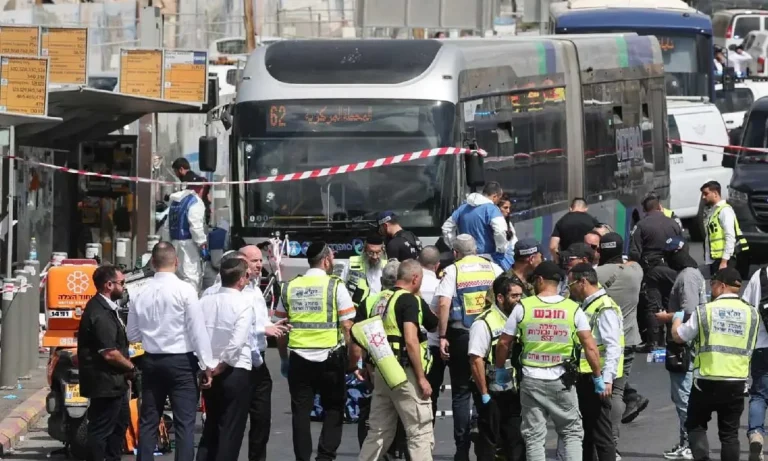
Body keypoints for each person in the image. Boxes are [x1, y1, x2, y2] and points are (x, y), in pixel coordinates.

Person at [494, 261, 603, 461]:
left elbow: (503, 343)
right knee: (571, 432)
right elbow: (590, 346)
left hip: (531, 379)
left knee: (534, 436)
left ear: (540, 280)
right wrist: (598, 376)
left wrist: (499, 369)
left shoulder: (523, 307)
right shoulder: (572, 309)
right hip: (561, 379)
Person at [127, 242, 214, 461]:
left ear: (153, 263)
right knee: (184, 424)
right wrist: (207, 365)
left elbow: (132, 334)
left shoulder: (139, 292)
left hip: (151, 362)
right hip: (181, 363)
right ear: (177, 262)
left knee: (149, 421)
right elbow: (198, 332)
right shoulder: (186, 290)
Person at [275, 242, 356, 461]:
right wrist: (352, 358)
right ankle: (325, 457)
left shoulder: (289, 286)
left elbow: (280, 328)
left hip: (299, 358)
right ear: (326, 261)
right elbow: (348, 326)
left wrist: (283, 359)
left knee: (300, 412)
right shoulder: (335, 286)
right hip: (330, 357)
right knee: (334, 408)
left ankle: (302, 459)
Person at [670, 268, 759, 461]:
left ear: (722, 285)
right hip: (736, 381)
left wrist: (676, 320)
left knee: (695, 425)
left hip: (706, 380)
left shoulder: (705, 311)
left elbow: (680, 336)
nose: (711, 289)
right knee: (729, 434)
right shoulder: (752, 314)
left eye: (712, 284)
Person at [357, 260, 438, 460]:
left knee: (379, 432)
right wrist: (421, 378)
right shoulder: (409, 300)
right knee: (420, 431)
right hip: (405, 375)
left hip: (384, 373)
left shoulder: (377, 300)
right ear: (416, 278)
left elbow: (365, 336)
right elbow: (412, 340)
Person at [435, 234, 503, 461]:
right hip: (490, 334)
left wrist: (442, 335)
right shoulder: (493, 267)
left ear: (456, 253)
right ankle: (488, 444)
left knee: (461, 393)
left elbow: (444, 303)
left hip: (462, 333)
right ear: (476, 249)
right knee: (488, 388)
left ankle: (462, 449)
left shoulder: (453, 271)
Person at [195, 258, 255, 461]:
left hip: (208, 369)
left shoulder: (204, 301)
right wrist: (218, 368)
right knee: (230, 430)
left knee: (211, 424)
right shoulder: (244, 304)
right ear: (241, 279)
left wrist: (207, 367)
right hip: (233, 370)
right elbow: (235, 345)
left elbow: (196, 336)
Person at [568, 263, 624, 461]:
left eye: (571, 284)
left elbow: (613, 346)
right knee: (589, 432)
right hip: (589, 375)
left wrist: (606, 379)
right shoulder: (589, 304)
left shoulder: (604, 307)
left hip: (597, 378)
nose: (570, 289)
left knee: (601, 433)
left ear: (583, 282)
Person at [595, 232, 645, 455]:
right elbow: (633, 260)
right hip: (629, 339)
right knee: (617, 391)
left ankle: (597, 439)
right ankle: (612, 441)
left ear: (600, 251)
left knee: (596, 392)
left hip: (601, 341)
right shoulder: (635, 272)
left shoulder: (594, 274)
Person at [77, 265, 133, 461]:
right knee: (101, 430)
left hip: (114, 382)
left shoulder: (108, 308)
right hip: (104, 382)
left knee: (119, 424)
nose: (124, 287)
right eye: (122, 283)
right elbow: (109, 353)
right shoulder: (99, 312)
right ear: (109, 285)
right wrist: (132, 368)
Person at [656, 236, 705, 461]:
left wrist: (665, 317)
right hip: (686, 343)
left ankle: (689, 445)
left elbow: (689, 312)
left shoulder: (686, 277)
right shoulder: (690, 274)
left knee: (683, 396)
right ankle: (688, 442)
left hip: (683, 344)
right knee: (683, 395)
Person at [468, 275, 526, 461]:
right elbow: (476, 359)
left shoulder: (520, 318)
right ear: (500, 298)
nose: (519, 300)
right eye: (514, 296)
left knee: (515, 440)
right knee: (489, 441)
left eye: (520, 296)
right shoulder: (483, 323)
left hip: (513, 390)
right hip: (491, 392)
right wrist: (484, 394)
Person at [350, 260, 401, 453]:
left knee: (377, 413)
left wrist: (358, 365)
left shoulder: (369, 301)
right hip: (401, 365)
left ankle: (376, 452)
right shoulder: (406, 299)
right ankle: (396, 449)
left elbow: (356, 337)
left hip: (375, 365)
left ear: (381, 280)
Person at [739, 260, 768, 461]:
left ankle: (756, 433)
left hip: (761, 345)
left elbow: (746, 309)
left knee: (758, 394)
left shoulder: (760, 275)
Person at [441, 181, 512, 263]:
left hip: (464, 259)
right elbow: (500, 231)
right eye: (499, 198)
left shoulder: (463, 208)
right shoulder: (492, 209)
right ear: (495, 196)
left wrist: (455, 246)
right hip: (486, 258)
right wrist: (501, 250)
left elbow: (446, 228)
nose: (498, 202)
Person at [418, 246, 447, 421]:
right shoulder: (441, 286)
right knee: (432, 393)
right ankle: (428, 430)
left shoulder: (412, 284)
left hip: (414, 345)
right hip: (434, 347)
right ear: (437, 266)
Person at [701, 180, 750, 278]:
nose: (703, 197)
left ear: (715, 193)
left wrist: (724, 261)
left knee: (723, 289)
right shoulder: (715, 211)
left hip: (725, 260)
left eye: (706, 194)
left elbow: (730, 237)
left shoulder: (725, 211)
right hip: (717, 259)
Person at [168, 183, 208, 291]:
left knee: (177, 275)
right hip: (189, 245)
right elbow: (195, 226)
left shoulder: (175, 200)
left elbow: (167, 226)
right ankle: (190, 303)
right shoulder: (195, 201)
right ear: (200, 188)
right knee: (191, 277)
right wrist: (202, 243)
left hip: (174, 243)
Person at [629, 194, 682, 269]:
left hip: (650, 269)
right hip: (672, 267)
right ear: (660, 207)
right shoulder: (673, 223)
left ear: (644, 210)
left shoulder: (640, 225)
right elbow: (682, 246)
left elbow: (635, 253)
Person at [549, 198, 601, 264]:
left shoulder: (561, 222)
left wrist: (559, 261)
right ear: (586, 208)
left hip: (569, 264)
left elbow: (552, 246)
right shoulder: (593, 221)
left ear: (570, 208)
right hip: (588, 263)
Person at [346, 232, 387, 305]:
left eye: (378, 252)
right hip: (358, 309)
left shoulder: (387, 266)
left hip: (379, 308)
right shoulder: (352, 263)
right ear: (364, 250)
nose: (375, 256)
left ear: (382, 251)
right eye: (371, 252)